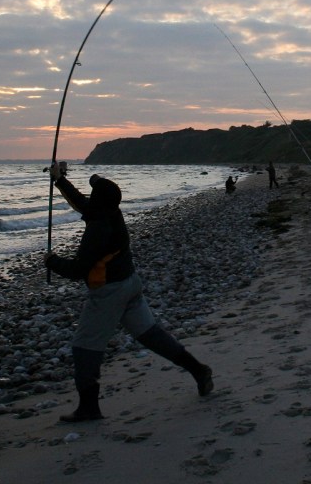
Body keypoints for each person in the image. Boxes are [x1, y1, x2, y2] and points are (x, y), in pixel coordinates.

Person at [45, 167, 214, 423]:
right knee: (150, 334)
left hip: (109, 293)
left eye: (95, 190)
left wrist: (52, 261)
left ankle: (89, 408)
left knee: (84, 346)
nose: (90, 195)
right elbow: (83, 203)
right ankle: (199, 370)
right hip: (130, 283)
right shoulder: (111, 211)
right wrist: (59, 180)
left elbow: (78, 270)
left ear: (99, 200)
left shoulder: (97, 229)